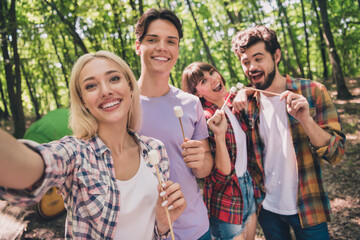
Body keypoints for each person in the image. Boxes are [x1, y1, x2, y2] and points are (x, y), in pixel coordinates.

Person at [0, 50, 187, 239]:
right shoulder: (76, 154)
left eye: (114, 78)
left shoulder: (155, 150)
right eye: (91, 86)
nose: (106, 91)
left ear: (130, 87)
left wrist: (162, 224)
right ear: (83, 102)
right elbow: (30, 166)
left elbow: (152, 229)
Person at [231, 25, 346, 239]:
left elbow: (337, 153)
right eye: (246, 62)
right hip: (267, 209)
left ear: (276, 56)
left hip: (309, 206)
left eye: (258, 58)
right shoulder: (246, 103)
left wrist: (305, 119)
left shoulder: (313, 91)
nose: (252, 67)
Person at [135, 8, 213, 240]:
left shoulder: (191, 104)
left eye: (171, 41)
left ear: (177, 49)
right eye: (152, 40)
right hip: (144, 233)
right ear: (138, 46)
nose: (162, 47)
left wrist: (201, 161)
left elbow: (205, 166)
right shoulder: (121, 106)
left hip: (196, 228)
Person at [182, 62, 257, 240]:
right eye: (203, 80)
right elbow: (222, 174)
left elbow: (254, 91)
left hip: (246, 186)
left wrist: (243, 91)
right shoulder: (207, 119)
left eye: (212, 72)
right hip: (225, 198)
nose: (213, 78)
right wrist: (219, 135)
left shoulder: (231, 103)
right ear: (196, 93)